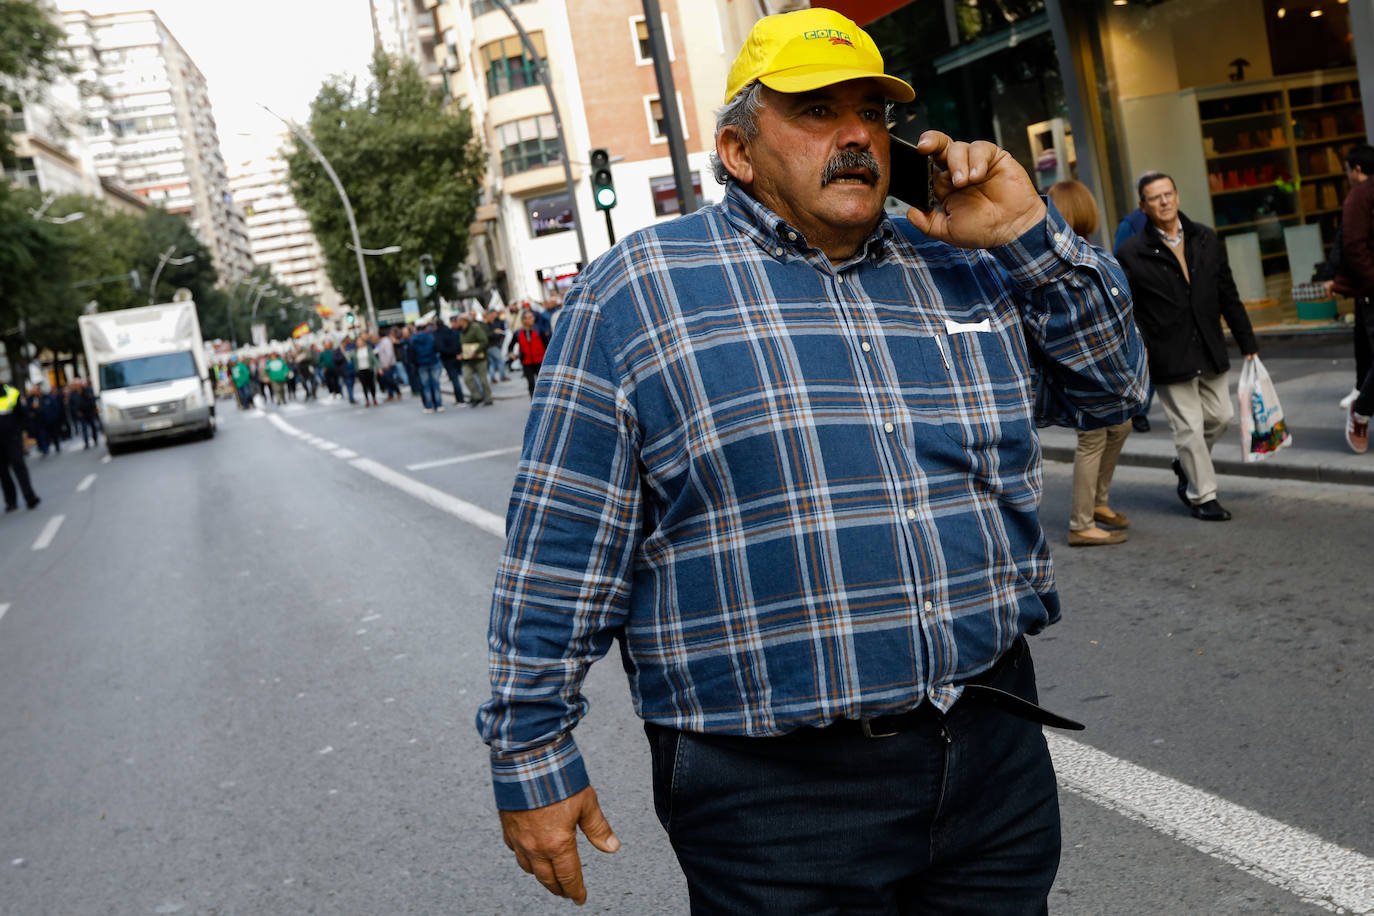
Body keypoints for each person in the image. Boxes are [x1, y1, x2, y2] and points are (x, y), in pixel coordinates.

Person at [477, 8, 1147, 912]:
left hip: (990, 758)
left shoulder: (964, 259)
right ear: (739, 151)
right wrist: (531, 752)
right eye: (817, 112)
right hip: (774, 799)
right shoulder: (636, 294)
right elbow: (561, 547)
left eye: (872, 112)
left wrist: (1032, 232)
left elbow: (1114, 391)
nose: (857, 136)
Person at [1116, 171, 1258, 521]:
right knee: (1189, 427)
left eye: (1168, 194)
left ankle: (1186, 464)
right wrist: (1141, 348)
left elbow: (1228, 293)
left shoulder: (1205, 238)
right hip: (1168, 351)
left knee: (1221, 417)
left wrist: (1248, 341)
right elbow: (1129, 310)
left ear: (1177, 196)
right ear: (1143, 207)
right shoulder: (1131, 253)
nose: (1164, 201)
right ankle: (1202, 495)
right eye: (1155, 197)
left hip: (1209, 346)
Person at [1048, 180, 1134, 547]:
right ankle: (1081, 523)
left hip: (1102, 363)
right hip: (1081, 366)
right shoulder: (1059, 257)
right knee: (1093, 437)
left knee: (1121, 426)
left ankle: (1097, 503)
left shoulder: (1084, 251)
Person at [1333, 144, 1374, 453]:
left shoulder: (1358, 195)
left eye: (1347, 169)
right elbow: (1353, 246)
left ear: (1357, 169)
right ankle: (1361, 410)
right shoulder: (1359, 197)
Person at [0, 381, 40, 511]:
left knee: (19, 466)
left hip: (12, 437)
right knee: (3, 472)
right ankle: (11, 502)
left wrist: (24, 431)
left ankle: (30, 497)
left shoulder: (12, 392)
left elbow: (22, 414)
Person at [455, 312, 491, 407]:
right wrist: (462, 354)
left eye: (458, 320)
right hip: (467, 359)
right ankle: (476, 396)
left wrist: (476, 351)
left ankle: (488, 398)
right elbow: (464, 345)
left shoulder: (475, 328)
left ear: (464, 321)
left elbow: (484, 341)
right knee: (467, 378)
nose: (457, 322)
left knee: (483, 379)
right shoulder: (462, 330)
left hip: (479, 358)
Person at [513, 309, 548, 396]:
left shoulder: (539, 330)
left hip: (540, 361)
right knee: (531, 383)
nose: (532, 319)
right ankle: (534, 403)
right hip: (526, 362)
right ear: (523, 320)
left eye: (532, 317)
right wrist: (512, 353)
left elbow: (547, 345)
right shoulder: (518, 333)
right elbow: (510, 345)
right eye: (529, 317)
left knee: (543, 383)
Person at [410, 321, 443, 412]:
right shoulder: (430, 337)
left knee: (426, 386)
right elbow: (437, 348)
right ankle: (439, 404)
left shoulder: (414, 339)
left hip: (421, 364)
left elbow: (412, 354)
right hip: (432, 362)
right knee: (435, 384)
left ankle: (428, 406)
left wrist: (416, 363)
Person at [436, 315, 468, 405]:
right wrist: (458, 353)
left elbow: (440, 348)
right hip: (456, 357)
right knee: (459, 378)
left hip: (449, 359)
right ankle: (461, 399)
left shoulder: (439, 334)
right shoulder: (451, 331)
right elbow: (458, 342)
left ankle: (460, 399)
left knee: (455, 380)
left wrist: (452, 353)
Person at [355, 333, 380, 407]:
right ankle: (367, 400)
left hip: (369, 369)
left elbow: (374, 359)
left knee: (371, 385)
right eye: (357, 342)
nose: (359, 343)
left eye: (360, 342)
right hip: (360, 370)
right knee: (364, 386)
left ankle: (374, 398)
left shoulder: (368, 349)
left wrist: (379, 367)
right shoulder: (355, 351)